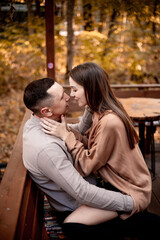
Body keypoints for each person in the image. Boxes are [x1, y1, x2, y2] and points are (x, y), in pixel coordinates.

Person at [41, 63, 160, 239]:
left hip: (128, 191)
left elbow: (88, 165)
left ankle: (142, 223)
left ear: (90, 89)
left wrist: (66, 136)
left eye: (74, 89)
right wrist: (66, 131)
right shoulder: (97, 112)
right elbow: (90, 144)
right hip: (113, 185)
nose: (71, 95)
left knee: (72, 225)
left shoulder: (109, 122)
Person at [23, 77, 135, 240]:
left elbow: (78, 132)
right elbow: (82, 192)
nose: (68, 96)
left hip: (93, 191)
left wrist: (91, 102)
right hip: (80, 209)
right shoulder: (46, 149)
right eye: (62, 96)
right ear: (46, 111)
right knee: (142, 218)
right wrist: (131, 203)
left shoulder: (43, 121)